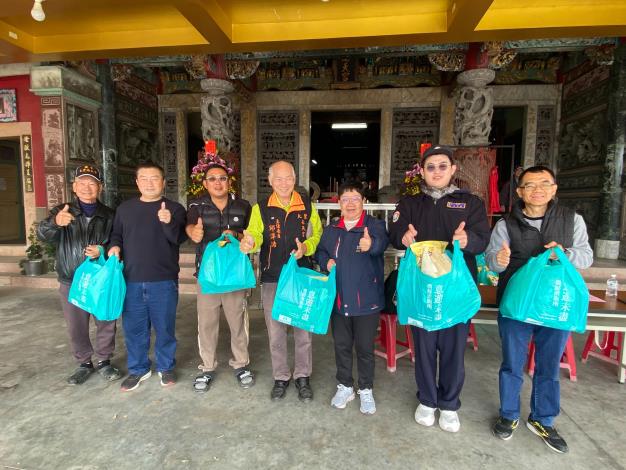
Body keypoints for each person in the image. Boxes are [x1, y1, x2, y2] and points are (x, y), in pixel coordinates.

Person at [485, 165, 593, 454]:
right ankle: (509, 414)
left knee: (548, 365)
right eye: (530, 185)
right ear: (520, 192)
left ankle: (543, 419)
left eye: (544, 184)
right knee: (512, 363)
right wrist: (499, 259)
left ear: (554, 189)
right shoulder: (505, 224)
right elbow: (492, 262)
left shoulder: (572, 220)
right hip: (516, 304)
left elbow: (586, 257)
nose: (538, 190)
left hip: (556, 304)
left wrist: (565, 253)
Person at [388, 145, 490, 433]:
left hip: (455, 289)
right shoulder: (410, 203)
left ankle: (449, 404)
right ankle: (427, 400)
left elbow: (483, 238)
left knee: (453, 348)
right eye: (430, 167)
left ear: (453, 169)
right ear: (422, 171)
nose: (436, 172)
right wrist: (403, 237)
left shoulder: (470, 203)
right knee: (423, 345)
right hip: (422, 287)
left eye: (442, 166)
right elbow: (394, 233)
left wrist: (467, 239)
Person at [240, 160, 323, 402]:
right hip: (273, 277)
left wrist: (306, 247)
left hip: (302, 276)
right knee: (275, 332)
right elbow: (254, 234)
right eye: (278, 178)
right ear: (270, 181)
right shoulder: (261, 208)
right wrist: (250, 242)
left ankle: (303, 376)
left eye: (288, 178)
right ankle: (281, 376)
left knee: (302, 331)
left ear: (294, 179)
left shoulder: (307, 206)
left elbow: (317, 234)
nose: (284, 183)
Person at [37, 165, 120, 385]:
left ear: (100, 187)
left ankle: (104, 360)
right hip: (71, 279)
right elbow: (42, 234)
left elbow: (118, 241)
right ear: (74, 187)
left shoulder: (110, 215)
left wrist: (102, 250)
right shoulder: (62, 211)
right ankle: (84, 363)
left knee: (105, 320)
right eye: (82, 183)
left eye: (92, 183)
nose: (86, 187)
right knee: (76, 325)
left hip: (101, 279)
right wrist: (55, 223)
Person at [108, 163, 187, 392]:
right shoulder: (125, 209)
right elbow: (116, 235)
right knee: (134, 329)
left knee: (165, 328)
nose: (149, 183)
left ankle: (166, 366)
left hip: (163, 280)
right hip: (131, 279)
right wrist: (114, 246)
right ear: (137, 182)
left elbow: (178, 238)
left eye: (154, 178)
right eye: (144, 178)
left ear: (163, 182)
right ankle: (138, 368)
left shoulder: (175, 208)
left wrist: (168, 221)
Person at [316, 183, 389, 415]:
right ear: (339, 203)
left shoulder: (374, 225)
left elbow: (382, 244)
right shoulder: (332, 229)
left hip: (367, 300)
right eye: (345, 199)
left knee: (365, 348)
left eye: (355, 198)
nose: (350, 203)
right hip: (338, 299)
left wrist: (371, 244)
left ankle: (366, 389)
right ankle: (345, 385)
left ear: (363, 201)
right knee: (342, 346)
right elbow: (320, 251)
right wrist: (325, 261)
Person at [186, 163, 254, 393]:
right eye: (212, 179)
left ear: (229, 182)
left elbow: (251, 234)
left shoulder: (243, 206)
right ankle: (207, 366)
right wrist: (193, 232)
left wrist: (238, 235)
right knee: (207, 324)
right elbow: (189, 228)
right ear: (205, 184)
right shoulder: (196, 206)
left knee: (237, 322)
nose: (218, 183)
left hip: (235, 276)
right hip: (207, 276)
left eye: (222, 178)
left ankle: (241, 364)